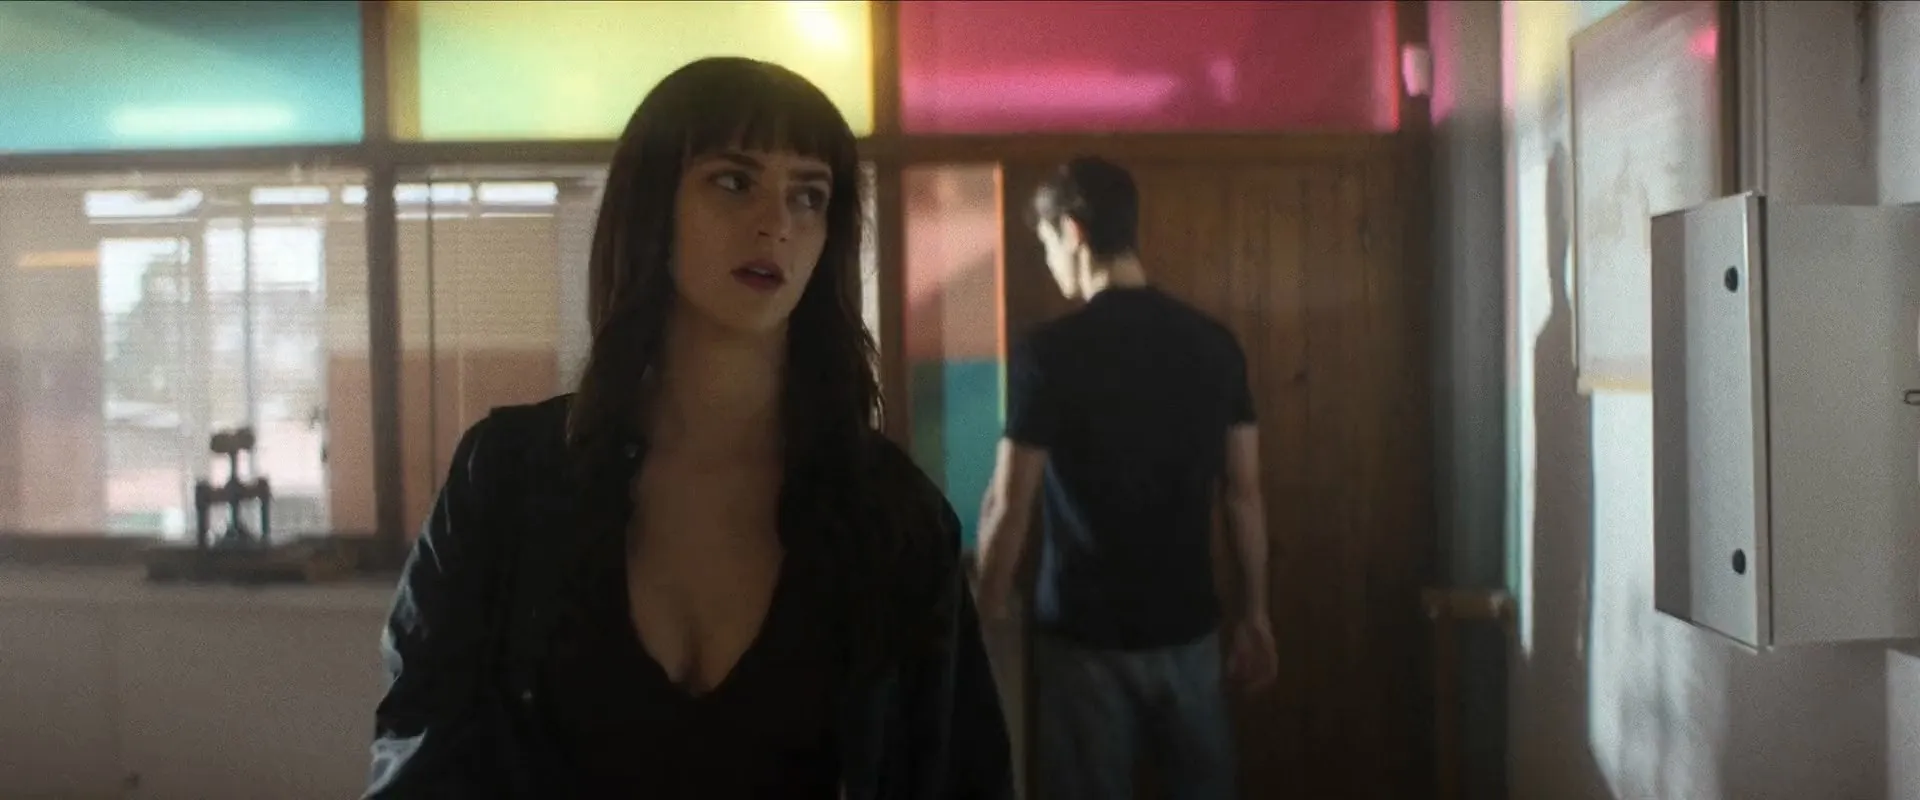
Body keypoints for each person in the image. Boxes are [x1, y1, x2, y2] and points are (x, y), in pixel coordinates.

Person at [363, 57, 1012, 800]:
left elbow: (959, 776)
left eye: (808, 195)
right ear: (651, 207)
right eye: (733, 181)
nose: (775, 223)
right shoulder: (509, 477)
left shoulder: (894, 517)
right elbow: (423, 745)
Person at [973, 157, 1277, 800]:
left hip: (1084, 635)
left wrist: (986, 613)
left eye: (1047, 243)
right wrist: (1255, 613)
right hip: (1188, 627)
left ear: (1073, 231)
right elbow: (1244, 494)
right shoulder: (1214, 345)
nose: (1049, 262)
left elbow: (1009, 502)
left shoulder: (1048, 354)